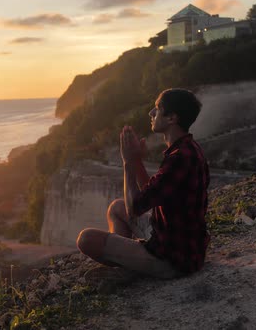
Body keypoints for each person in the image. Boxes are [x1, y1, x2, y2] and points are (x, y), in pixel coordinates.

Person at [77, 88, 210, 279]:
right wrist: (138, 160)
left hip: (173, 259)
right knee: (116, 208)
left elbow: (134, 208)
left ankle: (131, 267)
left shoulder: (179, 158)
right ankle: (130, 259)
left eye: (157, 108)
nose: (151, 113)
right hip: (176, 241)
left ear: (172, 118)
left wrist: (128, 162)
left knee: (86, 239)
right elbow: (153, 197)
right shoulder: (187, 149)